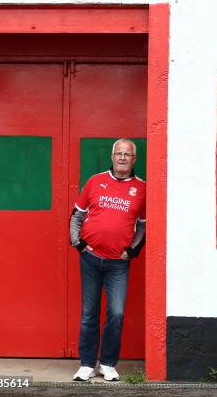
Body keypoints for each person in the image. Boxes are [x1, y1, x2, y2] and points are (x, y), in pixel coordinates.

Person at [70, 138, 146, 382]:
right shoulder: (95, 181)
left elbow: (144, 227)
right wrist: (78, 243)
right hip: (91, 259)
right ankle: (86, 364)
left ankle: (108, 364)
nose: (122, 158)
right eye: (118, 153)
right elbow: (76, 216)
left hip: (118, 264)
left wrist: (132, 251)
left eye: (127, 154)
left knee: (116, 313)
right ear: (112, 157)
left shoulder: (142, 188)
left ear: (135, 159)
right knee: (89, 313)